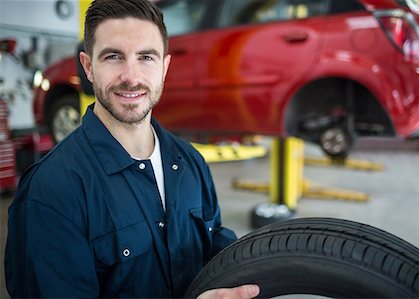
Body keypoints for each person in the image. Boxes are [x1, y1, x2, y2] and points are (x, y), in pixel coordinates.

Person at [4, 0, 260, 298]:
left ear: (164, 67)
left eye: (146, 57)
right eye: (113, 56)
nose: (131, 76)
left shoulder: (190, 161)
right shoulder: (51, 191)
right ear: (88, 67)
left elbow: (214, 244)